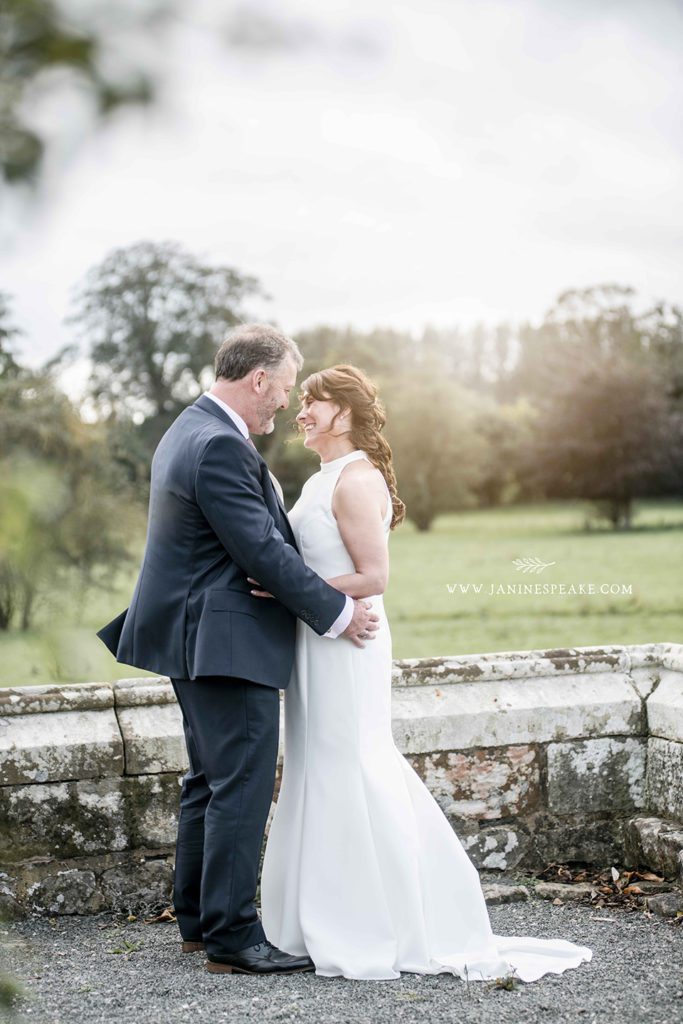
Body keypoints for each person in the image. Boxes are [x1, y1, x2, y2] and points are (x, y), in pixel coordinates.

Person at [257, 364, 593, 982]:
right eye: (300, 400)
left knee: (351, 763)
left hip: (347, 646)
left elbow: (374, 577)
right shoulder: (320, 478)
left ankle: (376, 920)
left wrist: (285, 590)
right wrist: (293, 593)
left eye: (313, 401)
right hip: (318, 639)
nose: (301, 412)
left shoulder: (355, 481)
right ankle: (313, 918)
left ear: (346, 412)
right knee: (314, 765)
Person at [97, 325, 380, 976]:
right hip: (224, 638)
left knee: (208, 780)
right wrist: (337, 613)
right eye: (281, 389)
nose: (283, 403)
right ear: (257, 380)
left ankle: (198, 921)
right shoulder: (220, 443)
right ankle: (232, 938)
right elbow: (259, 549)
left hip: (192, 634)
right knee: (241, 783)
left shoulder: (187, 428)